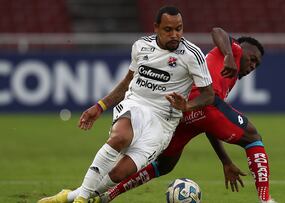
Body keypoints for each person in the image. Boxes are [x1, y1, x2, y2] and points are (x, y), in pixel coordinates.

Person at [38, 5, 215, 203]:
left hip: (163, 122)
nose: (175, 34)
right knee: (120, 137)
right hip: (137, 104)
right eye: (168, 29)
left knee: (119, 174)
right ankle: (82, 200)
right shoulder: (141, 46)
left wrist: (187, 107)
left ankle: (68, 197)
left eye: (179, 29)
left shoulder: (193, 55)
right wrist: (100, 106)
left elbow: (209, 95)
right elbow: (127, 82)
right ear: (156, 27)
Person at [92, 28, 276, 203]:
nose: (252, 66)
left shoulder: (227, 76)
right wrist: (229, 54)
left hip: (186, 114)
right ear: (241, 49)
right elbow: (217, 31)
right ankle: (265, 199)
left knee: (164, 165)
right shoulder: (233, 50)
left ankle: (105, 195)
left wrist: (225, 161)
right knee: (252, 137)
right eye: (252, 59)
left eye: (256, 64)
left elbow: (209, 124)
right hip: (198, 104)